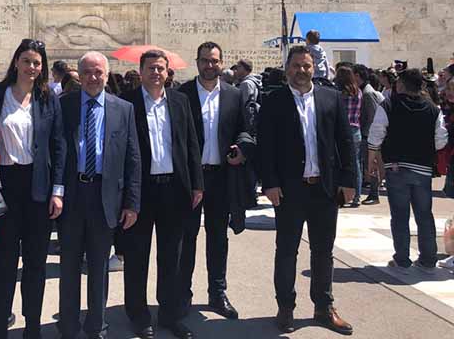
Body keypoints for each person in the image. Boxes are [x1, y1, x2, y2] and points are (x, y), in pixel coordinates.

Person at [258, 45, 355, 335]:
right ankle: (285, 307)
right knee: (287, 251)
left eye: (306, 66)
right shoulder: (274, 100)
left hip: (324, 189)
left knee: (323, 251)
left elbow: (345, 141)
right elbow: (265, 145)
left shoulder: (330, 97)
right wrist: (269, 183)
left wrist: (349, 181)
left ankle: (324, 307)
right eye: (296, 66)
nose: (301, 71)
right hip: (289, 190)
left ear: (314, 68)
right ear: (287, 68)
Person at [58, 51, 141, 339]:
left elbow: (133, 158)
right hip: (72, 194)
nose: (93, 78)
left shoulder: (123, 109)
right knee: (69, 266)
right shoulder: (64, 105)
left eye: (98, 72)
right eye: (87, 72)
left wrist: (132, 203)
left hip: (105, 196)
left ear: (107, 75)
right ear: (79, 75)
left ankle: (97, 327)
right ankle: (68, 327)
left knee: (98, 266)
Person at [120, 50, 202, 339]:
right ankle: (138, 314)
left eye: (160, 68)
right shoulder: (127, 103)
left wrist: (197, 183)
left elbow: (191, 144)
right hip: (140, 191)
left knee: (172, 257)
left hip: (174, 189)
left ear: (168, 73)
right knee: (136, 255)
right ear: (141, 71)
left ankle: (169, 314)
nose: (156, 73)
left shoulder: (180, 101)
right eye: (151, 68)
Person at [0, 39, 66, 339]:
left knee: (35, 263)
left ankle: (32, 325)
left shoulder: (47, 98)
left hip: (38, 187)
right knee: (5, 262)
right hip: (5, 185)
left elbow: (59, 145)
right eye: (27, 61)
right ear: (16, 62)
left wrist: (57, 191)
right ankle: (0, 325)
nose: (31, 67)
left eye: (37, 63)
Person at [179, 43, 255, 324]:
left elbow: (245, 130)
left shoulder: (234, 94)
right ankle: (182, 293)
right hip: (191, 179)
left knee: (218, 238)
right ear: (197, 62)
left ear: (222, 62)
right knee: (186, 237)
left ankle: (217, 293)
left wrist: (242, 149)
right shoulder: (182, 94)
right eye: (204, 61)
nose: (209, 66)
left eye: (214, 61)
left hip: (221, 176)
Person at [367, 68, 448, 273]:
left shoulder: (389, 104)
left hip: (396, 166)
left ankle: (402, 259)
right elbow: (441, 140)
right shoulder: (433, 109)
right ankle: (428, 260)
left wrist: (372, 158)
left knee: (400, 215)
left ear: (401, 84)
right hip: (422, 168)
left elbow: (376, 133)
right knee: (424, 214)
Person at [354, 64, 386, 205]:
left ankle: (374, 194)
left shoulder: (368, 93)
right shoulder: (364, 91)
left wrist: (367, 135)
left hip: (369, 135)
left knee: (371, 165)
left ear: (357, 75)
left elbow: (372, 116)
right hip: (368, 134)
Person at [335, 66, 363, 208]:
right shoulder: (358, 92)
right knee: (356, 165)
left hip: (343, 130)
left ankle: (341, 195)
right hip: (356, 129)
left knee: (341, 163)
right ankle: (357, 196)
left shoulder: (339, 93)